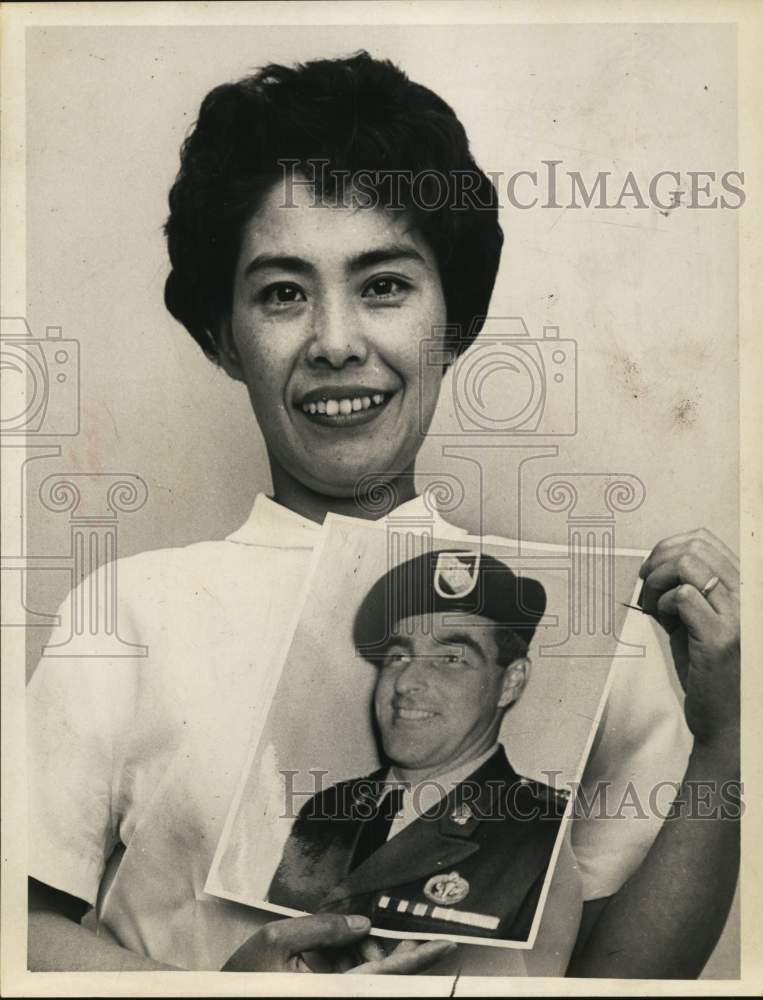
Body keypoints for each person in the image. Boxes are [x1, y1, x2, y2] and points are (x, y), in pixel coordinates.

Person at [27, 52, 740, 977]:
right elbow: (18, 931)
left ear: (455, 321)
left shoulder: (593, 633)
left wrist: (725, 738)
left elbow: (627, 981)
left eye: (384, 286)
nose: (334, 343)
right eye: (282, 293)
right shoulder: (129, 612)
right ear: (223, 336)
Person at [269, 549, 570, 943]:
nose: (407, 681)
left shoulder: (545, 838)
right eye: (398, 656)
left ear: (510, 682)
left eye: (450, 658)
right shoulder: (325, 811)